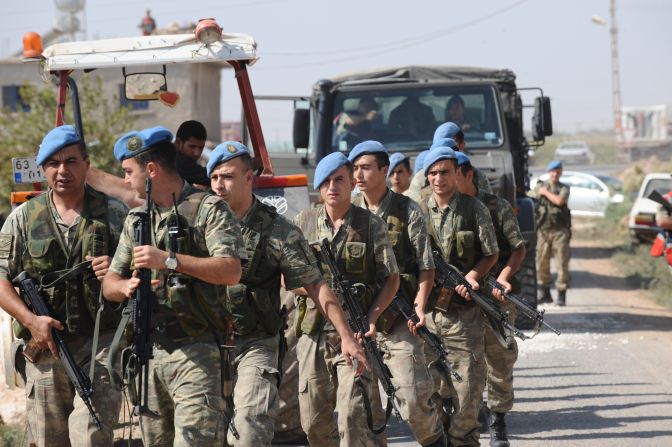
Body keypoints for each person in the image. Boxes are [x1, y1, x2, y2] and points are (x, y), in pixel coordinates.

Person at [206, 141, 367, 445]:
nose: (219, 185)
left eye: (227, 176)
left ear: (248, 177)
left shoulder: (277, 230)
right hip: (204, 344)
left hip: (255, 343)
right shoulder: (198, 224)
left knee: (250, 432)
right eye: (214, 178)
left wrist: (347, 336)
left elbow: (316, 286)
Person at [102, 126, 246, 445]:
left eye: (129, 172)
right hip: (148, 354)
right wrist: (126, 288)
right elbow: (109, 283)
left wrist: (169, 260)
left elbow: (231, 269)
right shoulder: (137, 219)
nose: (126, 180)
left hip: (197, 350)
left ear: (151, 169)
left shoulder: (208, 208)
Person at [0, 125, 128, 446]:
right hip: (45, 347)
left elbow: (140, 274)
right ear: (43, 169)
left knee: (92, 435)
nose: (62, 171)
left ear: (87, 165)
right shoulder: (23, 218)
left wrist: (116, 270)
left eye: (71, 162)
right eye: (53, 163)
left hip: (101, 341)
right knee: (46, 439)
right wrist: (32, 321)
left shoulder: (113, 214)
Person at [293, 152, 400, 447]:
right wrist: (319, 289)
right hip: (314, 333)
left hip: (355, 331)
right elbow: (287, 281)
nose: (332, 187)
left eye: (339, 179)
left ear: (352, 182)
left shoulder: (370, 225)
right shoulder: (303, 222)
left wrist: (372, 318)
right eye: (325, 181)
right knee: (313, 423)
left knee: (353, 417)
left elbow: (392, 279)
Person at [348, 141, 446, 447]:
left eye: (365, 168)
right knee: (362, 412)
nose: (358, 175)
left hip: (399, 317)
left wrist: (419, 306)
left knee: (414, 401)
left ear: (383, 169)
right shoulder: (349, 209)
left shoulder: (407, 210)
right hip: (360, 321)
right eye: (354, 169)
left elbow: (425, 265)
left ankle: (436, 439)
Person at [421, 146, 499, 447]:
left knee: (469, 390)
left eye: (445, 172)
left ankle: (461, 439)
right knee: (430, 388)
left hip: (464, 313)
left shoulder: (473, 208)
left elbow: (491, 253)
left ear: (457, 174)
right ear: (427, 177)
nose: (439, 178)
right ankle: (441, 436)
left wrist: (472, 276)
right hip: (427, 313)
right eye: (433, 173)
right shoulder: (417, 211)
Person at [455, 152, 526, 447]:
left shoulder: (496, 206)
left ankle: (499, 423)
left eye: (451, 173)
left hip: (495, 296)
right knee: (465, 362)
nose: (443, 181)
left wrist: (505, 277)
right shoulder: (447, 210)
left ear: (468, 175)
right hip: (459, 298)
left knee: (499, 358)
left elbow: (517, 248)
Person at [531, 160, 571, 306]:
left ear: (560, 173)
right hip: (543, 231)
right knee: (542, 262)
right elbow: (532, 195)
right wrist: (539, 191)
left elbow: (560, 201)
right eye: (553, 171)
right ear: (549, 172)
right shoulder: (540, 186)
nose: (555, 174)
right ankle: (545, 293)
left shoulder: (563, 188)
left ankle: (561, 294)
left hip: (559, 231)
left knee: (562, 263)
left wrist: (545, 192)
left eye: (558, 171)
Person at [175, 120, 210, 188]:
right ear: (178, 142)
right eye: (192, 147)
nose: (197, 153)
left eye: (201, 147)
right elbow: (209, 177)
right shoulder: (179, 162)